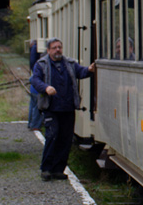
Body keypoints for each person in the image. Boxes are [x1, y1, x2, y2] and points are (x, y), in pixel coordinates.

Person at [29, 38, 96, 181]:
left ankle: (59, 169)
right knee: (52, 136)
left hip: (67, 107)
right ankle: (46, 169)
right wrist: (46, 88)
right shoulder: (41, 64)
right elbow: (35, 80)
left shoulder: (69, 64)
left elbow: (81, 72)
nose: (57, 50)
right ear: (48, 50)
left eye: (59, 47)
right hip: (51, 108)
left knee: (65, 139)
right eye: (54, 48)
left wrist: (89, 70)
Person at [27, 40, 44, 131]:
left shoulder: (36, 66)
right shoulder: (42, 66)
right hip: (37, 90)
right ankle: (35, 126)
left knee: (32, 106)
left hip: (33, 89)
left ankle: (30, 123)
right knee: (38, 108)